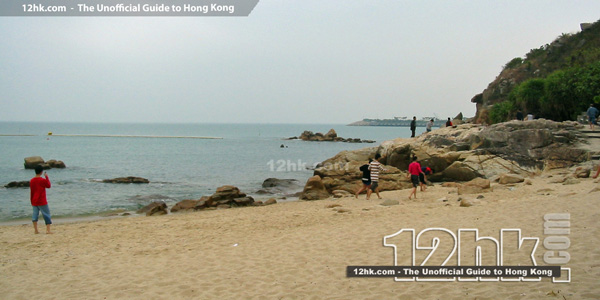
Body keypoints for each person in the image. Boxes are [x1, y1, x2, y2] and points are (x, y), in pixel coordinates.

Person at [30, 165, 52, 234]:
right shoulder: (42, 180)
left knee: (35, 215)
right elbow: (48, 185)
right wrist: (46, 177)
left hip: (34, 200)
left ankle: (36, 230)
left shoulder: (32, 181)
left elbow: (32, 191)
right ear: (41, 172)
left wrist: (31, 200)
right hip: (42, 200)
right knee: (46, 214)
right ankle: (48, 230)